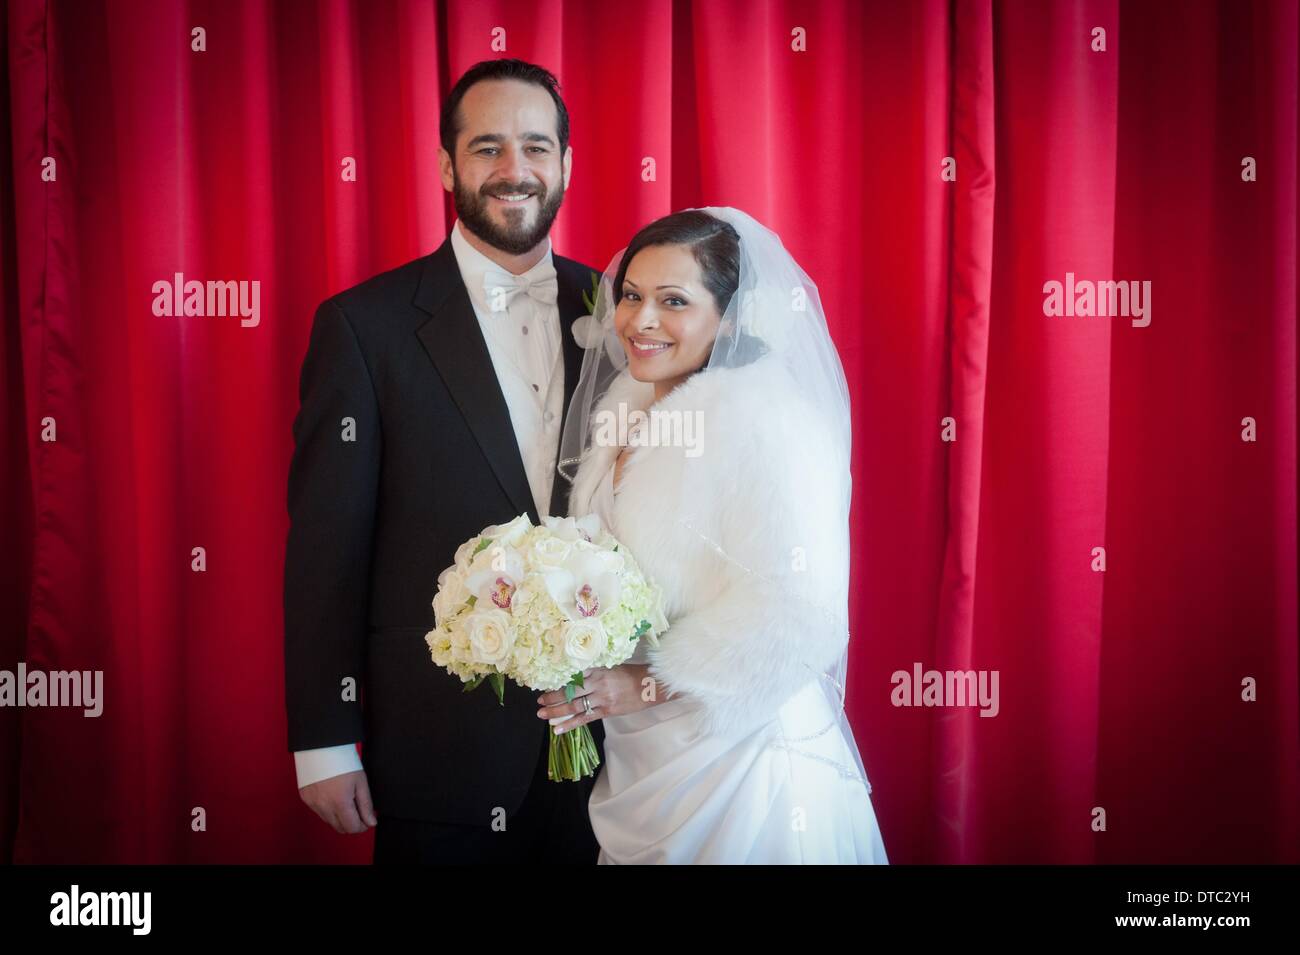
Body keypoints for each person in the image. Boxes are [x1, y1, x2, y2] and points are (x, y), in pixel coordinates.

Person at [284, 58, 602, 863]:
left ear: (566, 163)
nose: (514, 169)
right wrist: (324, 738)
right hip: (438, 754)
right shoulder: (364, 328)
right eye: (487, 147)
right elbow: (327, 550)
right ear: (446, 166)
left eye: (536, 146)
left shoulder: (623, 314)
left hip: (611, 756)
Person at [545, 208, 889, 863]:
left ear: (728, 318)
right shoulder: (628, 403)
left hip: (745, 765)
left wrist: (642, 684)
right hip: (641, 760)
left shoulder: (770, 423)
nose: (641, 321)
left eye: (673, 301)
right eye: (632, 296)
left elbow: (800, 619)